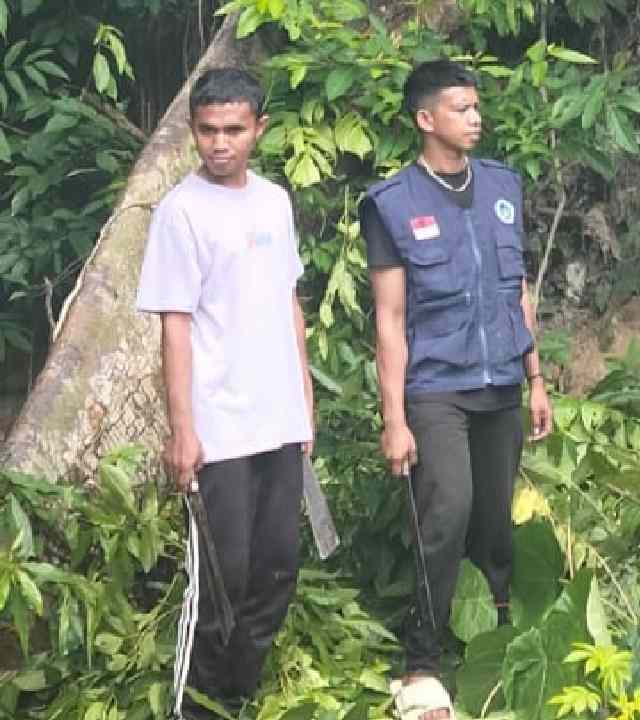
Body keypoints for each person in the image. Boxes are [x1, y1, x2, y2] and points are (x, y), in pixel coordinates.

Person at [360, 59, 553, 720]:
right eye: (461, 109)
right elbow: (389, 319)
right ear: (425, 119)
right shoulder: (392, 204)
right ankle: (421, 663)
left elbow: (516, 290)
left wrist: (536, 378)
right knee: (448, 514)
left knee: (495, 522)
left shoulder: (502, 185)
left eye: (476, 107)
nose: (476, 118)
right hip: (436, 387)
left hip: (501, 382)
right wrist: (394, 417)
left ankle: (489, 649)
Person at [136, 68, 313, 720]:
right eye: (208, 130)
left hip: (278, 421)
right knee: (221, 579)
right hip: (219, 428)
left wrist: (304, 401)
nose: (219, 143)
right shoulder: (181, 211)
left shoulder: (274, 202)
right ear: (192, 131)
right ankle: (194, 709)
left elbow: (289, 303)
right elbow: (175, 325)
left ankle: (235, 696)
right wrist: (183, 430)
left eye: (233, 130)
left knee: (277, 569)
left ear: (259, 129)